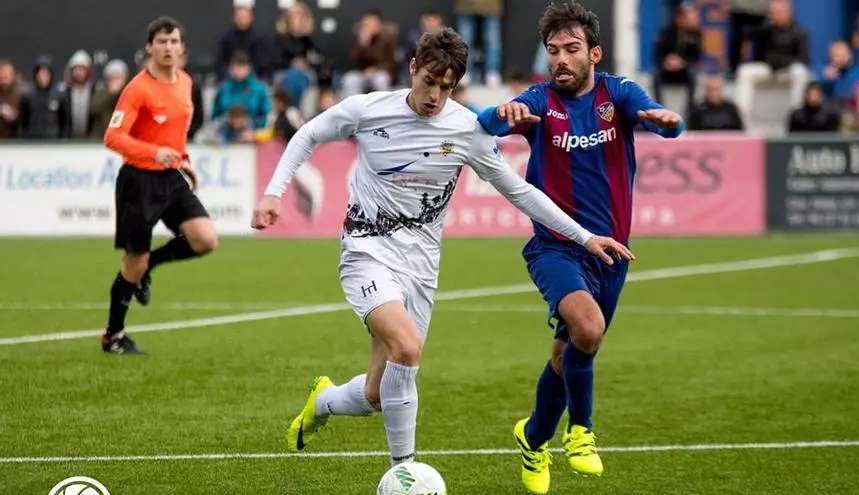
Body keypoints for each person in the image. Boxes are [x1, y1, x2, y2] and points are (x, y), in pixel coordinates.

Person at [251, 27, 632, 468]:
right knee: (407, 348)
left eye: (446, 87)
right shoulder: (368, 109)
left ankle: (323, 401)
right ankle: (405, 473)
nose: (434, 96)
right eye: (429, 81)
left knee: (378, 393)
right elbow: (307, 134)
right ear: (413, 68)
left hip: (421, 264)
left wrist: (584, 236)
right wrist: (274, 193)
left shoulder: (467, 129)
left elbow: (520, 191)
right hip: (366, 250)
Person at [475, 2, 683, 493]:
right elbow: (489, 123)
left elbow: (659, 120)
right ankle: (581, 432)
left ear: (594, 53)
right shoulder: (540, 100)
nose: (560, 60)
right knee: (588, 330)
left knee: (565, 354)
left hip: (611, 255)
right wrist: (500, 113)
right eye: (553, 51)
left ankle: (532, 437)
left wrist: (666, 121)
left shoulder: (617, 93)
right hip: (555, 248)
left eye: (571, 49)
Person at [102, 16, 219, 354]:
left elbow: (176, 133)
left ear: (182, 48)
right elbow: (113, 137)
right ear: (149, 47)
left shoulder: (186, 81)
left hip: (171, 176)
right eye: (162, 42)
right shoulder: (137, 88)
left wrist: (183, 159)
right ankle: (113, 336)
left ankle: (151, 264)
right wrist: (155, 152)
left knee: (205, 239)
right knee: (133, 262)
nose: (168, 48)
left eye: (174, 41)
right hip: (138, 181)